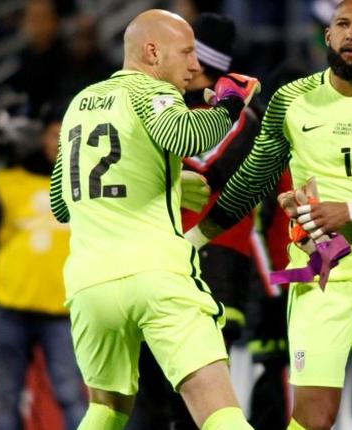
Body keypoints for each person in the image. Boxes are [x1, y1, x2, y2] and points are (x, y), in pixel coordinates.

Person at [187, 1, 352, 428]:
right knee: (314, 418)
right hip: (318, 278)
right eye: (342, 24)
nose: (351, 34)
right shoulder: (292, 100)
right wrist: (191, 243)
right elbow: (251, 182)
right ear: (327, 35)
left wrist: (351, 212)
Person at [49, 9, 259, 430]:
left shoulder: (78, 105)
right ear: (151, 52)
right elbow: (187, 136)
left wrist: (167, 180)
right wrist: (230, 102)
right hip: (154, 275)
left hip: (90, 287)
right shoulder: (151, 92)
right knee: (220, 413)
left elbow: (61, 202)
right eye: (185, 52)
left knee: (105, 411)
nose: (194, 65)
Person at [127, 12, 262, 430]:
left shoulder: (237, 116)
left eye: (189, 53)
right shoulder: (161, 107)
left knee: (196, 404)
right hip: (157, 261)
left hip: (212, 265)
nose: (184, 65)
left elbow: (207, 164)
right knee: (146, 394)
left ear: (201, 62)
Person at [0, 110, 87, 430]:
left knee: (71, 395)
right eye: (52, 136)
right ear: (40, 138)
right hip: (10, 306)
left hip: (62, 310)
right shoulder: (7, 181)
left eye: (65, 137)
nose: (57, 145)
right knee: (7, 397)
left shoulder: (89, 187)